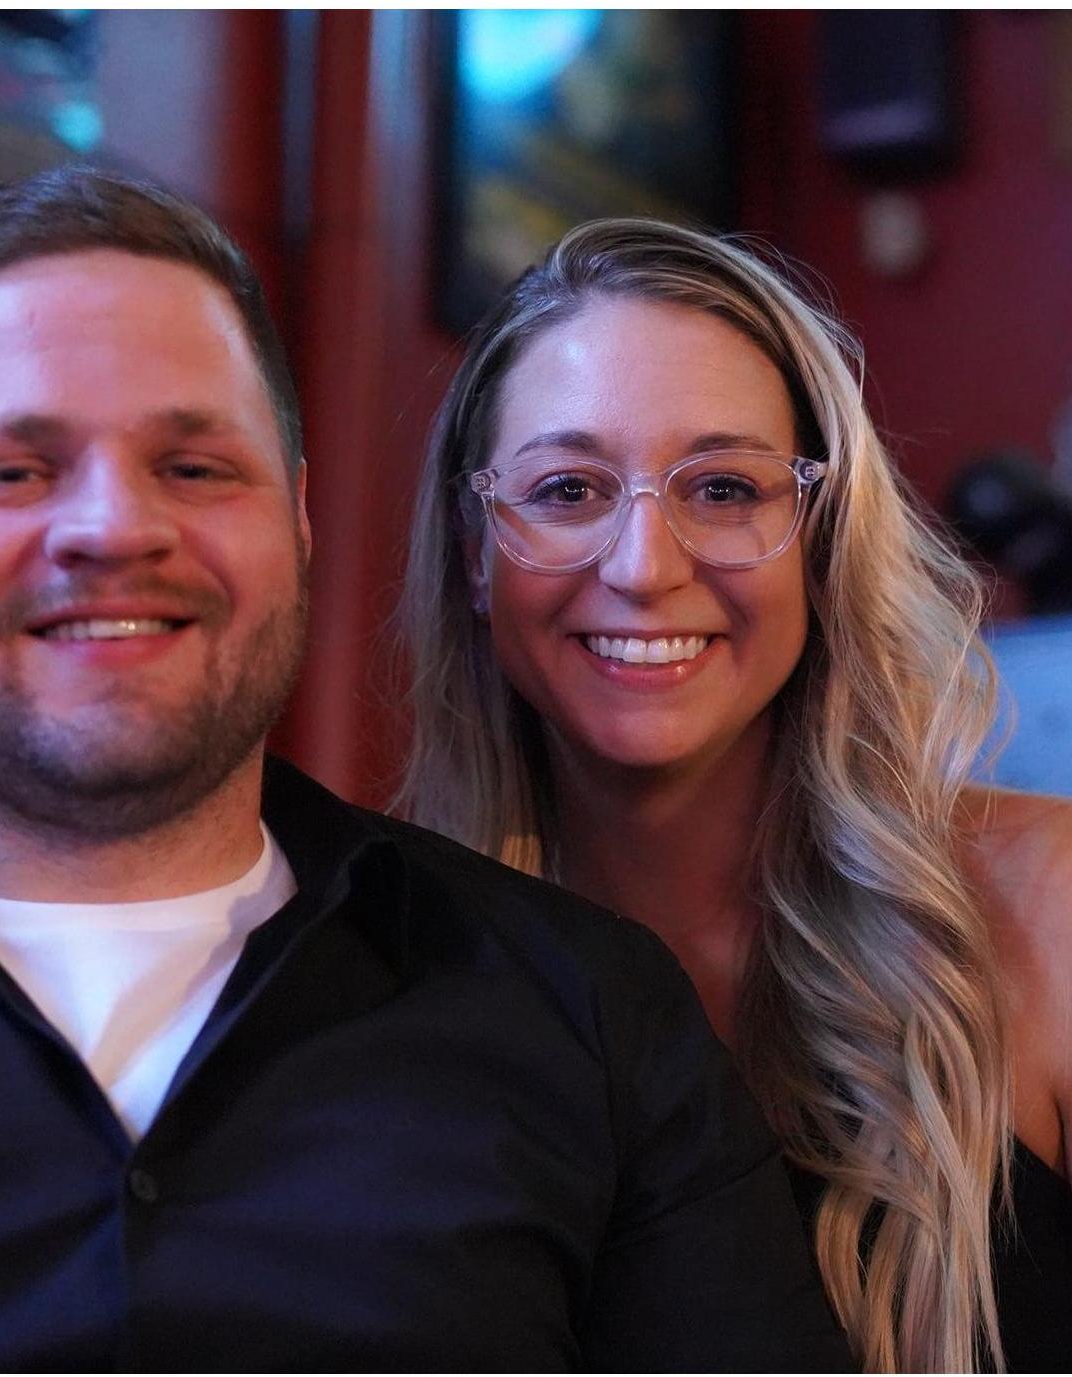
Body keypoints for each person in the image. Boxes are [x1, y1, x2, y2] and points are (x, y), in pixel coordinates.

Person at [0, 170, 851, 1371]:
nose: (115, 529)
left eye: (194, 468)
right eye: (13, 471)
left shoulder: (594, 1012)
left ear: (296, 524)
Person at [399, 218, 1072, 1372]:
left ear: (818, 537)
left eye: (723, 488)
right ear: (476, 548)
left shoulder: (1050, 903)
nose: (644, 566)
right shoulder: (378, 968)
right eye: (568, 488)